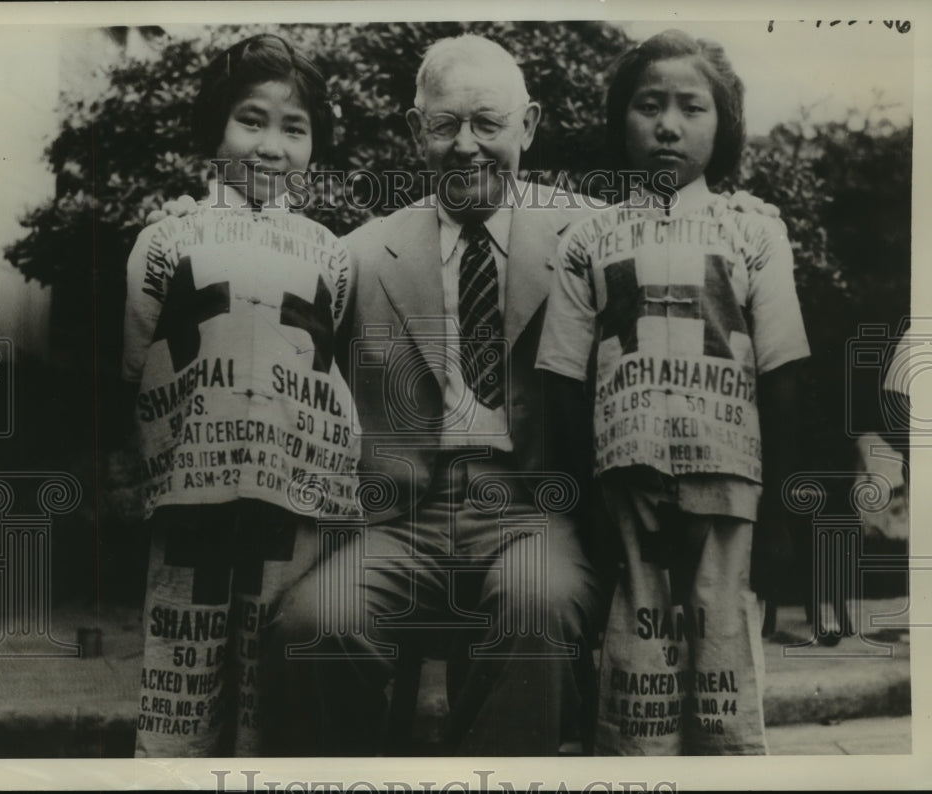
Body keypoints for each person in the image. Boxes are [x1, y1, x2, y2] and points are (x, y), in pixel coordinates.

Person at [264, 33, 605, 757]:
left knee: (536, 606)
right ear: (417, 130)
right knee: (314, 622)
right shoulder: (359, 253)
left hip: (529, 508)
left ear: (529, 126)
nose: (468, 146)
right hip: (399, 518)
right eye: (447, 124)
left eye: (489, 123)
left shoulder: (589, 236)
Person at [536, 29, 809, 755]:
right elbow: (561, 379)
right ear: (619, 119)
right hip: (626, 491)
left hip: (730, 491)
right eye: (647, 105)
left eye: (692, 108)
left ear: (724, 127)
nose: (667, 125)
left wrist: (780, 509)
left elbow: (782, 371)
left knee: (723, 673)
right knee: (638, 684)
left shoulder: (754, 232)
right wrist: (583, 504)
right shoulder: (587, 237)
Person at [121, 33, 358, 757]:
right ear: (215, 127)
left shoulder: (332, 252)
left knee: (267, 675)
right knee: (181, 663)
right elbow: (139, 368)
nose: (270, 147)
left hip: (290, 500)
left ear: (314, 146)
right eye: (251, 120)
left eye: (295, 129)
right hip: (192, 491)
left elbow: (328, 361)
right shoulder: (166, 240)